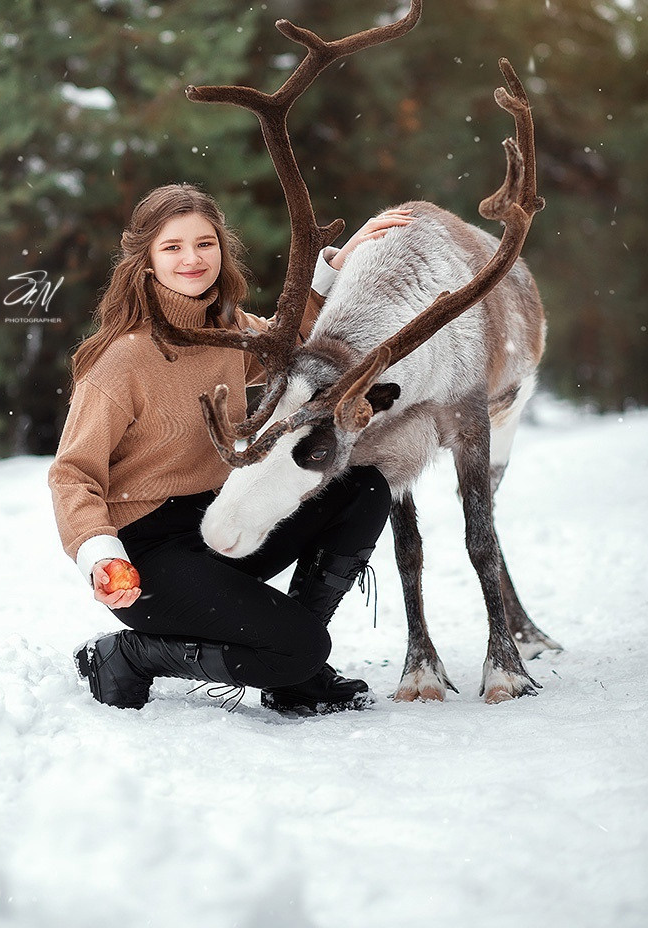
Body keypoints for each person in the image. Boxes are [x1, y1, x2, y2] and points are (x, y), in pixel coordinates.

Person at [48, 183, 412, 714]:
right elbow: (72, 474)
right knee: (301, 651)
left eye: (205, 243)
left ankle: (293, 662)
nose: (192, 259)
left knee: (361, 487)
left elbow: (294, 345)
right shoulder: (120, 362)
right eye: (172, 247)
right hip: (149, 556)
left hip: (219, 520)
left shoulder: (229, 330)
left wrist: (339, 264)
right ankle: (133, 655)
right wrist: (101, 555)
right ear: (146, 260)